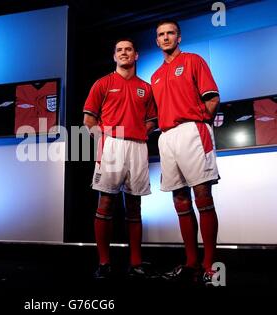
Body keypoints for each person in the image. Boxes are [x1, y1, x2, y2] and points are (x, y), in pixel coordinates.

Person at [151, 20, 220, 285]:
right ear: (157, 41)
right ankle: (191, 263)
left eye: (170, 33)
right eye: (161, 35)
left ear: (179, 37)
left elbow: (212, 97)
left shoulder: (194, 60)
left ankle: (210, 266)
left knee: (202, 195)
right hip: (167, 136)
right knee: (180, 198)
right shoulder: (155, 75)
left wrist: (198, 121)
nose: (166, 37)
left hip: (193, 131)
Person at [83, 38, 157, 279]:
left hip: (137, 146)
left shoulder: (146, 88)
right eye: (119, 50)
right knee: (105, 203)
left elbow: (151, 120)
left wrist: (139, 134)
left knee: (135, 206)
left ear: (136, 55)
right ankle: (104, 263)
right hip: (111, 145)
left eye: (128, 49)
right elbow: (89, 120)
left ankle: (135, 262)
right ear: (114, 56)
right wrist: (102, 144)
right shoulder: (103, 83)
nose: (124, 53)